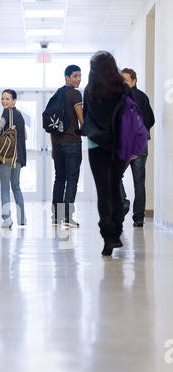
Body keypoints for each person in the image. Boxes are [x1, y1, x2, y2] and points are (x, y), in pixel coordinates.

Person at [80, 51, 135, 256]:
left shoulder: (90, 90)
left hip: (97, 147)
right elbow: (130, 118)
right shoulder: (123, 89)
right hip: (119, 146)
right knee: (115, 189)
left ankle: (109, 238)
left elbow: (86, 117)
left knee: (103, 192)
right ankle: (118, 231)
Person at [120, 68, 155, 227]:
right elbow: (151, 120)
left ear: (134, 81)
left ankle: (123, 203)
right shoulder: (143, 97)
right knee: (139, 182)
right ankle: (139, 218)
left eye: (125, 80)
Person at [51, 65, 84, 228]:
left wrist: (53, 146)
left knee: (59, 179)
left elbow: (51, 123)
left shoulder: (57, 94)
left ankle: (56, 217)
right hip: (72, 143)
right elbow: (82, 120)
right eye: (75, 76)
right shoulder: (75, 93)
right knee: (72, 180)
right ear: (67, 77)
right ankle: (68, 217)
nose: (78, 79)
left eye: (80, 76)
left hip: (57, 144)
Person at [0, 89, 27, 229]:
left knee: (5, 187)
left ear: (14, 100)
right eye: (3, 98)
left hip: (6, 155)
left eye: (8, 99)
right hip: (18, 156)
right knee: (16, 187)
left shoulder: (6, 113)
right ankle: (22, 219)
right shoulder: (20, 115)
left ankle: (7, 219)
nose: (4, 101)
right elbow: (25, 136)